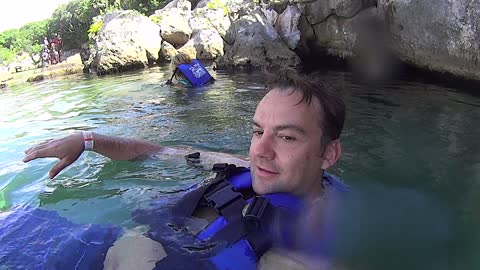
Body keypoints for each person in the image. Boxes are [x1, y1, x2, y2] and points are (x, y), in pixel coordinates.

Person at [22, 68, 346, 269]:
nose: (259, 151)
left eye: (287, 137)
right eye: (258, 131)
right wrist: (86, 139)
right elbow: (157, 152)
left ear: (328, 154)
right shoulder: (243, 167)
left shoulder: (310, 238)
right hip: (95, 242)